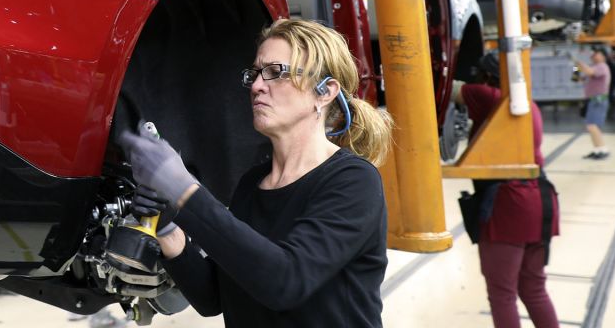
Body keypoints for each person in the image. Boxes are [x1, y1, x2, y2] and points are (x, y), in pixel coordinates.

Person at [119, 18, 393, 328]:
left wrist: (184, 192)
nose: (258, 86)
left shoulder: (354, 181)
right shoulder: (252, 183)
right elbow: (214, 298)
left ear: (325, 92)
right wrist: (170, 231)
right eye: (255, 74)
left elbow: (285, 281)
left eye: (276, 72)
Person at [453, 51, 560, 328]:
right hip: (541, 199)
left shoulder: (491, 97)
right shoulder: (527, 104)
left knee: (502, 295)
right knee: (533, 289)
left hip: (509, 206)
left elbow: (442, 88)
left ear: (488, 76)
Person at [574, 48, 611, 159]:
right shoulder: (594, 67)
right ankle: (597, 150)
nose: (594, 56)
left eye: (597, 54)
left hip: (598, 100)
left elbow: (589, 72)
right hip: (593, 100)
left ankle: (603, 149)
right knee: (592, 126)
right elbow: (578, 79)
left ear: (603, 56)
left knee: (592, 126)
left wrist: (580, 64)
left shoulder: (602, 66)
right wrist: (575, 67)